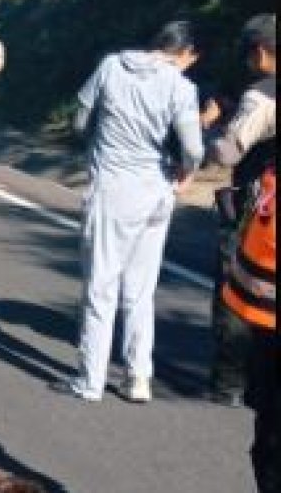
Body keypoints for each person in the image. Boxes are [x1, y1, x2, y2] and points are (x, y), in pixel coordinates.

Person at [52, 20, 205, 403]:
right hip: (156, 192)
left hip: (112, 188)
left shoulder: (111, 66)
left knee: (100, 287)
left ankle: (90, 379)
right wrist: (185, 174)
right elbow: (193, 148)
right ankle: (138, 377)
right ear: (185, 53)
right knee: (140, 291)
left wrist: (96, 144)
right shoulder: (181, 87)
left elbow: (79, 119)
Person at [207, 14, 275, 492]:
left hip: (261, 225)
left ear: (261, 52)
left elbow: (228, 153)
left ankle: (229, 382)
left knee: (236, 293)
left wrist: (214, 128)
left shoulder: (263, 95)